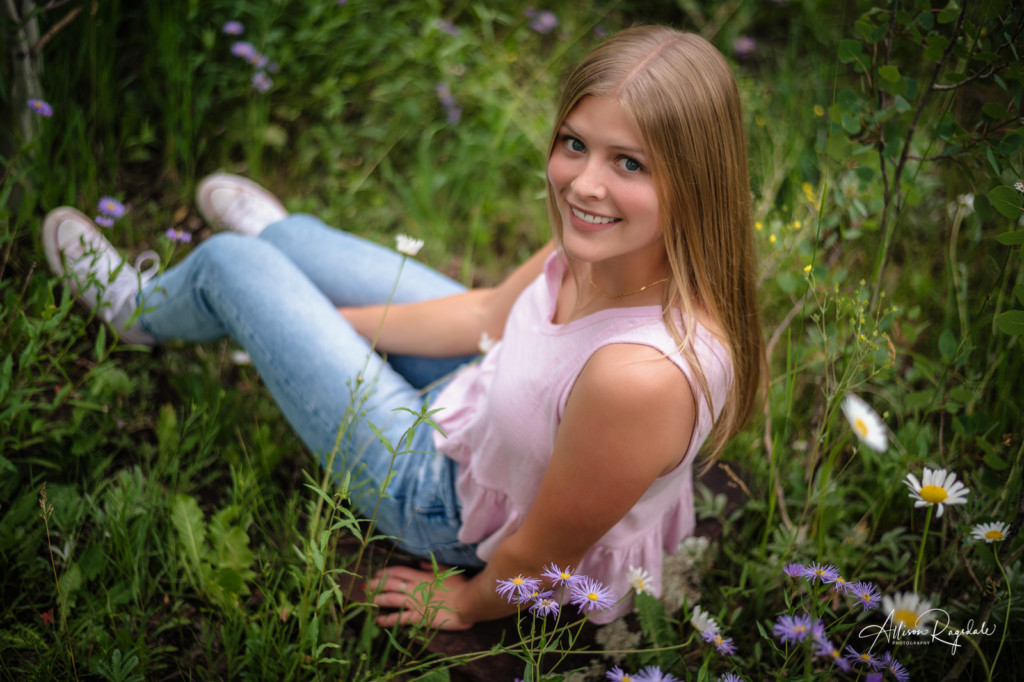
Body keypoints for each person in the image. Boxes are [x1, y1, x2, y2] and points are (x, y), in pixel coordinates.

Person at [41, 25, 764, 630]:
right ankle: (283, 259)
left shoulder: (638, 376)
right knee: (283, 256)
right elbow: (486, 317)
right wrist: (312, 320)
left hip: (443, 494)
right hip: (484, 401)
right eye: (575, 143)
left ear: (695, 182)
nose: (582, 184)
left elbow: (541, 554)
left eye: (628, 162)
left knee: (230, 264)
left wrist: (468, 606)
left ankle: (138, 311)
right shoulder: (611, 241)